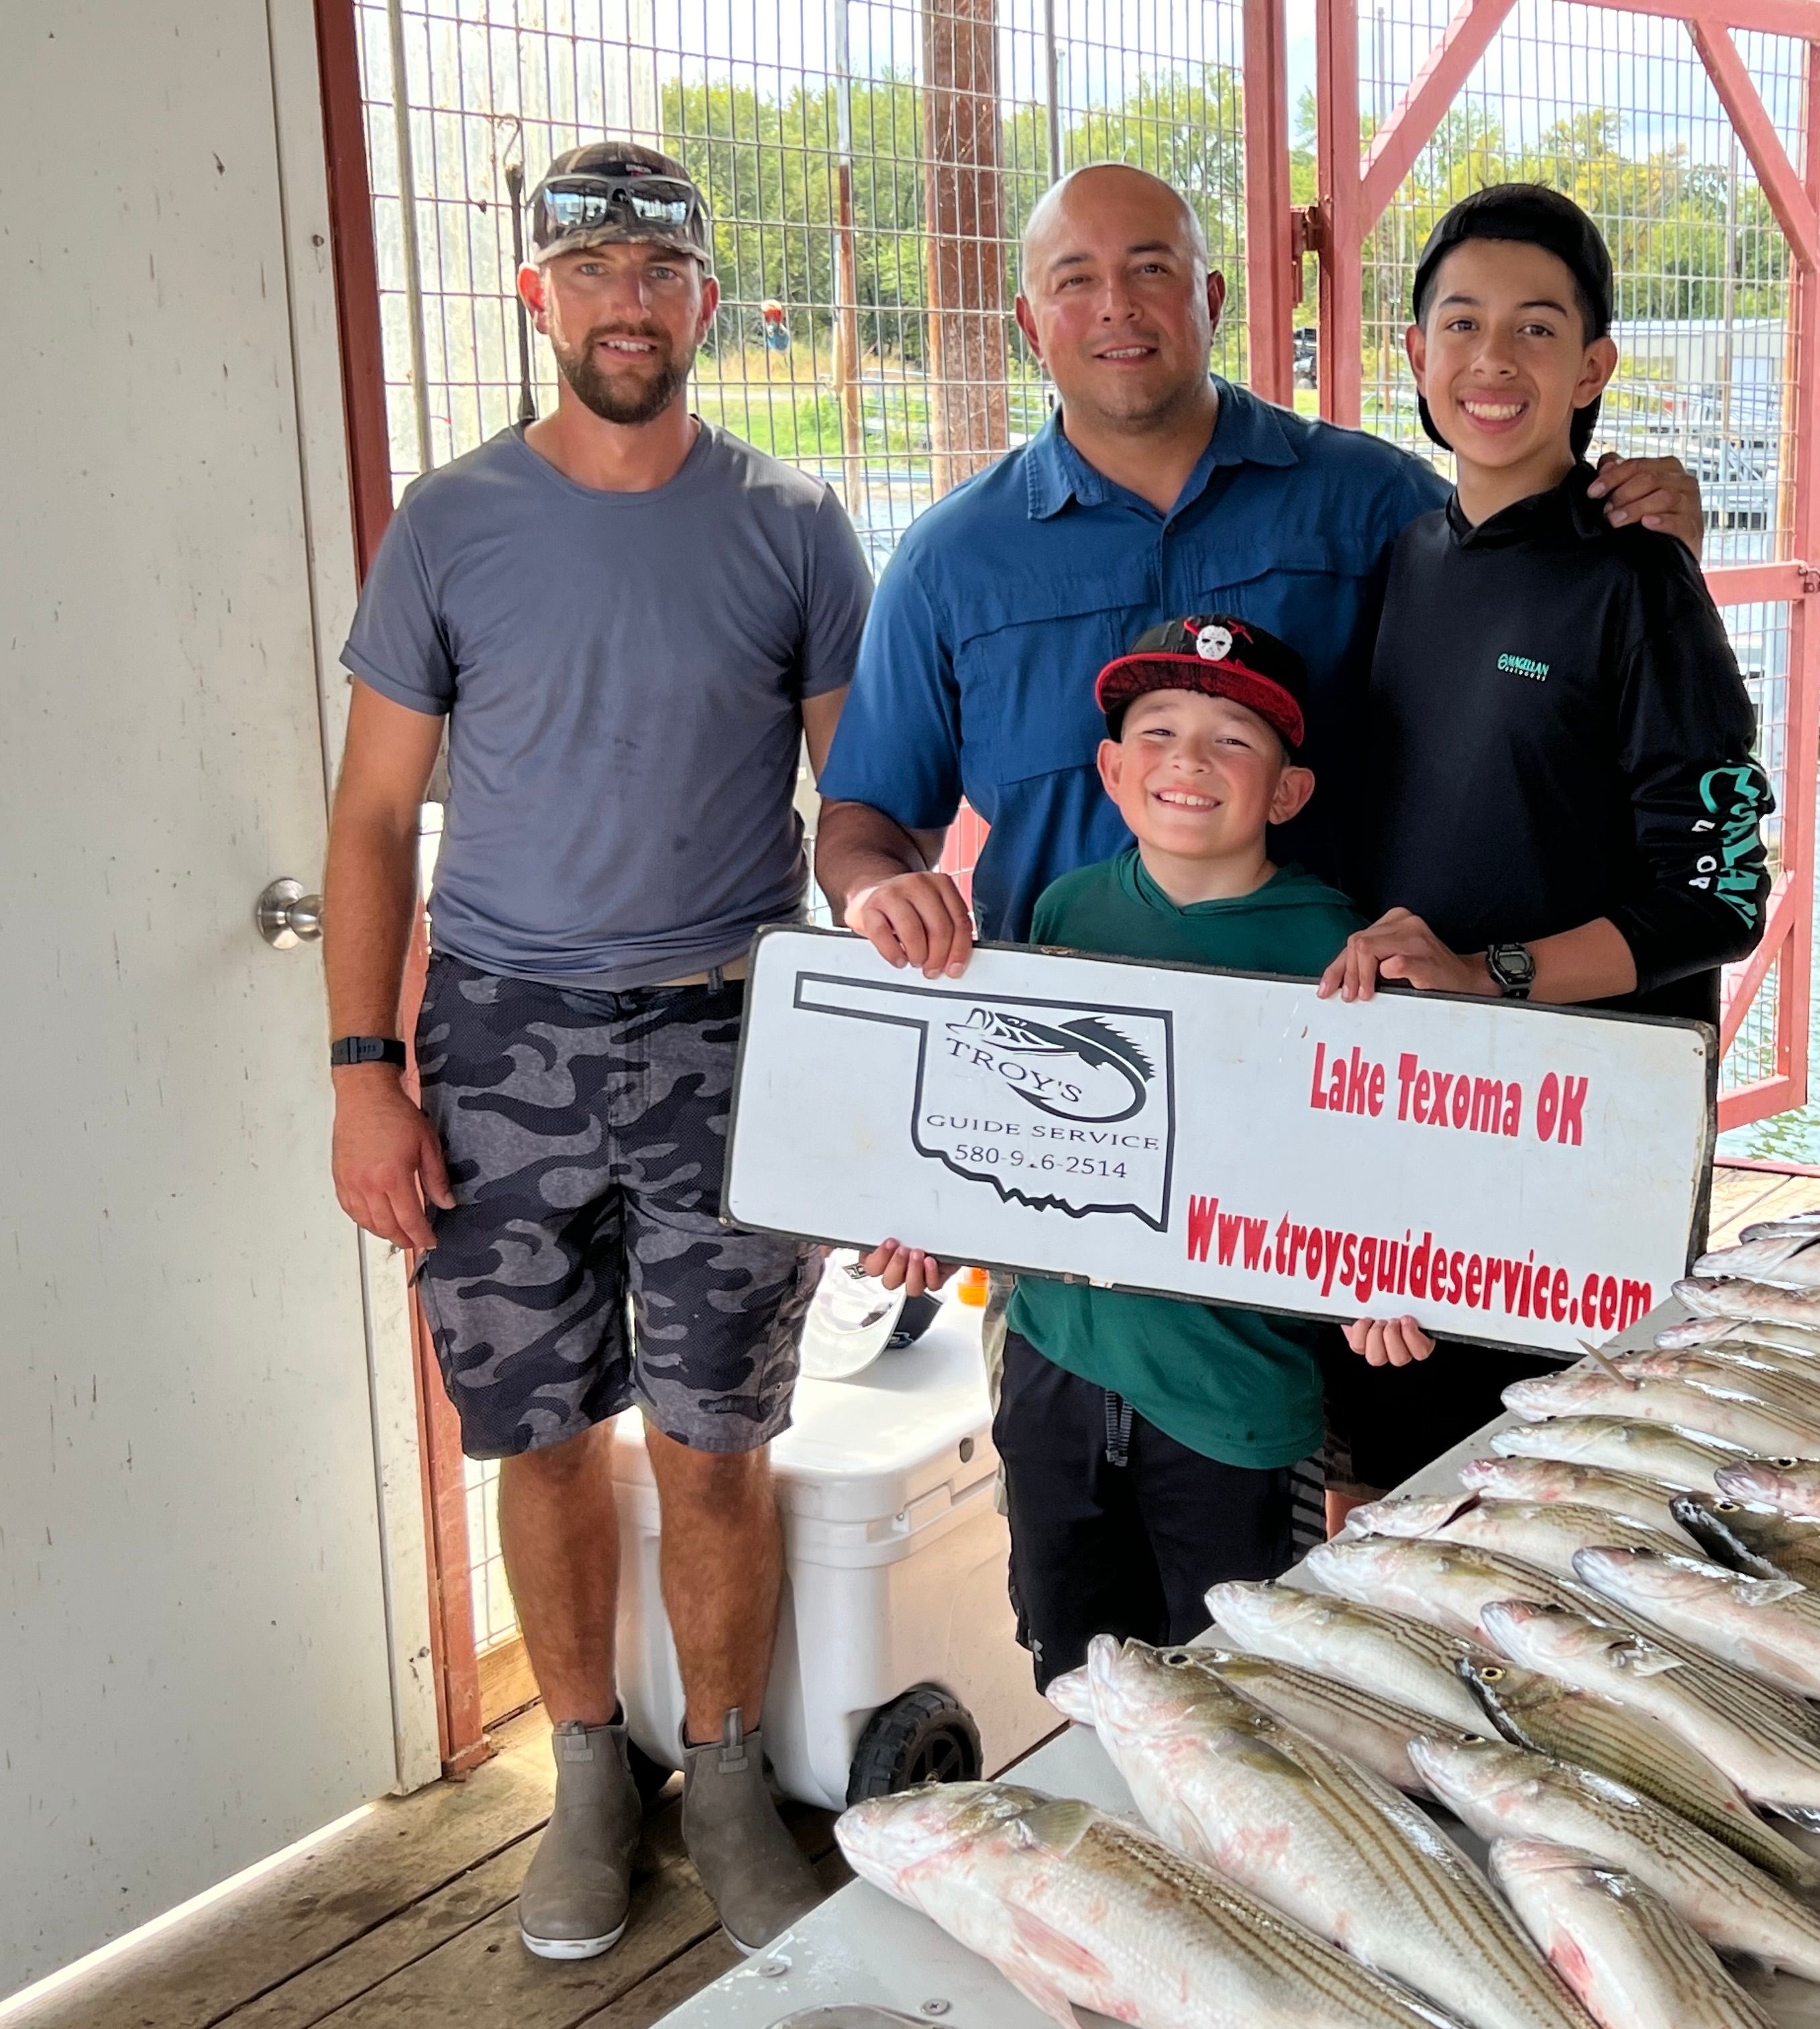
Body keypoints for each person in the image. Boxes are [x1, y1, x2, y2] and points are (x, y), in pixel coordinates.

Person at [814, 160, 1704, 1496]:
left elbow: (1539, 571)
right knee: (1096, 1525)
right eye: (1077, 280)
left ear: (1213, 297)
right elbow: (864, 823)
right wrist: (879, 894)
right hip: (1078, 1135)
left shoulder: (1370, 504)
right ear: (1028, 322)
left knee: (1366, 1488)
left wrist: (1651, 530)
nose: (1119, 308)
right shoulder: (951, 560)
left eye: (1154, 270)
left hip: (1329, 1117)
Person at [321, 143, 862, 1961]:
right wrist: (361, 1070)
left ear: (706, 296)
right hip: (497, 1039)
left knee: (721, 1439)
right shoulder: (451, 524)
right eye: (591, 270)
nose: (628, 300)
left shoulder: (794, 523)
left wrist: (907, 1081)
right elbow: (375, 813)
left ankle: (721, 1775)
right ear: (537, 299)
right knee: (539, 1438)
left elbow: (860, 811)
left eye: (660, 269)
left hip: (735, 1032)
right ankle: (586, 1776)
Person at [1316, 183, 1775, 1496]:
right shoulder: (1405, 558)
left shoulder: (1642, 579)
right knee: (1390, 1496)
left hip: (1578, 1145)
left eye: (1535, 329)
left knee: (1559, 1520)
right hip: (1416, 1122)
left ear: (1594, 368)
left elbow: (1720, 894)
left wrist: (1492, 974)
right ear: (1413, 354)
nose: (1492, 361)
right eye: (1460, 324)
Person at [877, 615, 1367, 1685]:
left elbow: (1367, 1158)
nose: (1189, 760)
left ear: (1287, 793)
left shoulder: (1338, 951)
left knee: (1238, 1684)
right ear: (1109, 769)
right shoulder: (1066, 911)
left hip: (1234, 1397)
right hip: (1055, 1370)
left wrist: (1381, 1274)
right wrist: (934, 1224)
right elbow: (1010, 1130)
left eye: (1235, 740)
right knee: (1076, 1664)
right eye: (1158, 730)